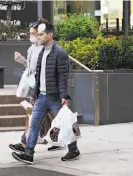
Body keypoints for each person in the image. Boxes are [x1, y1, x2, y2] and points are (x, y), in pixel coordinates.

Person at [11, 19, 81, 164]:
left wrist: (63, 95)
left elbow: (63, 75)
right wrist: (35, 94)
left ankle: (73, 150)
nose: (38, 37)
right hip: (41, 97)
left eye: (41, 34)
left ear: (50, 35)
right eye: (38, 34)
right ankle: (29, 153)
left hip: (55, 97)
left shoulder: (60, 53)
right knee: (34, 124)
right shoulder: (41, 51)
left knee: (65, 123)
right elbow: (37, 74)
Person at [9, 22, 63, 153]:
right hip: (38, 90)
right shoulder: (32, 49)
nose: (34, 36)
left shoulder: (50, 51)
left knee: (59, 120)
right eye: (32, 33)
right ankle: (27, 146)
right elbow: (32, 68)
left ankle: (67, 145)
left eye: (37, 33)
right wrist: (21, 60)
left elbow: (58, 74)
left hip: (49, 92)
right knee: (36, 120)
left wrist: (62, 94)